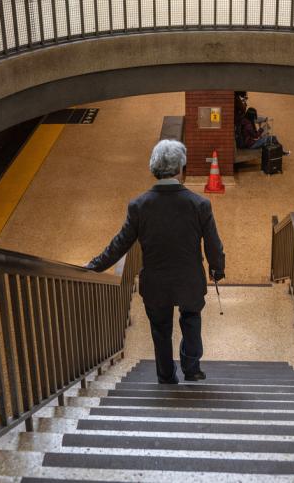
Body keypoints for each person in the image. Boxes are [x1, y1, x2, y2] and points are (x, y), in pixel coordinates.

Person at [86, 140, 225, 384]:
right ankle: (192, 369)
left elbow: (120, 243)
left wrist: (95, 265)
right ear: (181, 167)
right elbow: (213, 243)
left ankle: (165, 375)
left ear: (154, 167)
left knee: (160, 329)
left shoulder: (139, 205)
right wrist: (217, 268)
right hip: (188, 280)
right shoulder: (199, 204)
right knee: (191, 319)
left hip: (156, 282)